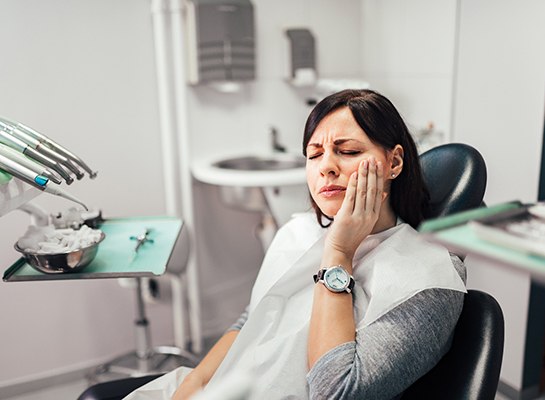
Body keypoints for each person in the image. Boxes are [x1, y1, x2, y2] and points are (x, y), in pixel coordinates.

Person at [172, 89, 467, 399]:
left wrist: (339, 253)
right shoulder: (298, 232)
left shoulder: (431, 278)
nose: (326, 166)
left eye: (349, 151)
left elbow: (335, 392)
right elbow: (255, 318)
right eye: (314, 154)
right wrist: (193, 385)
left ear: (393, 162)